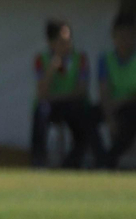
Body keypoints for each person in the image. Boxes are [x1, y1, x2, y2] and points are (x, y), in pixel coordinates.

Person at [30, 19, 104, 169]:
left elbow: (82, 91)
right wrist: (51, 69)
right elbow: (41, 93)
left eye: (69, 40)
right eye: (62, 41)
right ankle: (38, 161)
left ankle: (93, 163)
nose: (67, 44)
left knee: (86, 119)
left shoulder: (80, 59)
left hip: (72, 104)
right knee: (41, 111)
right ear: (51, 43)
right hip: (52, 106)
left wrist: (57, 97)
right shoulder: (41, 59)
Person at [101, 15, 136, 169]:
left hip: (130, 106)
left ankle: (109, 160)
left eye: (128, 36)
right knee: (86, 116)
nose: (124, 41)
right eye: (120, 36)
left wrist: (121, 102)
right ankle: (99, 159)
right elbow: (103, 90)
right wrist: (109, 119)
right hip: (112, 106)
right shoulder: (106, 59)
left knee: (131, 118)